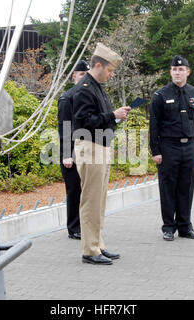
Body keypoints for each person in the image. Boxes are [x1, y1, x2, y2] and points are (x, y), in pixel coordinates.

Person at [72, 43, 131, 265]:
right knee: (91, 200)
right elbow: (84, 122)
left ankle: (97, 244)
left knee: (99, 200)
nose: (111, 74)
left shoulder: (95, 86)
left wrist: (114, 117)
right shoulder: (85, 88)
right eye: (110, 70)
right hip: (90, 147)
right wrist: (111, 115)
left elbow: (99, 118)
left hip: (100, 146)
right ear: (98, 65)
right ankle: (90, 250)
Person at [149, 55, 194, 241]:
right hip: (168, 147)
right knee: (168, 187)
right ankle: (168, 227)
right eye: (174, 69)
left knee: (186, 187)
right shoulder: (160, 95)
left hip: (188, 146)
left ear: (188, 72)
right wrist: (155, 151)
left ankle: (185, 226)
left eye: (181, 70)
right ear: (170, 72)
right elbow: (154, 125)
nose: (177, 72)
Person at [58, 60, 90, 240]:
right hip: (73, 152)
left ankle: (84, 224)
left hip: (88, 150)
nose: (84, 78)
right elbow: (65, 128)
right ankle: (74, 227)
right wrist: (66, 155)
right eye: (81, 74)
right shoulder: (68, 98)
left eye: (87, 74)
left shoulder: (89, 96)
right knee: (74, 190)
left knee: (87, 190)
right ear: (74, 76)